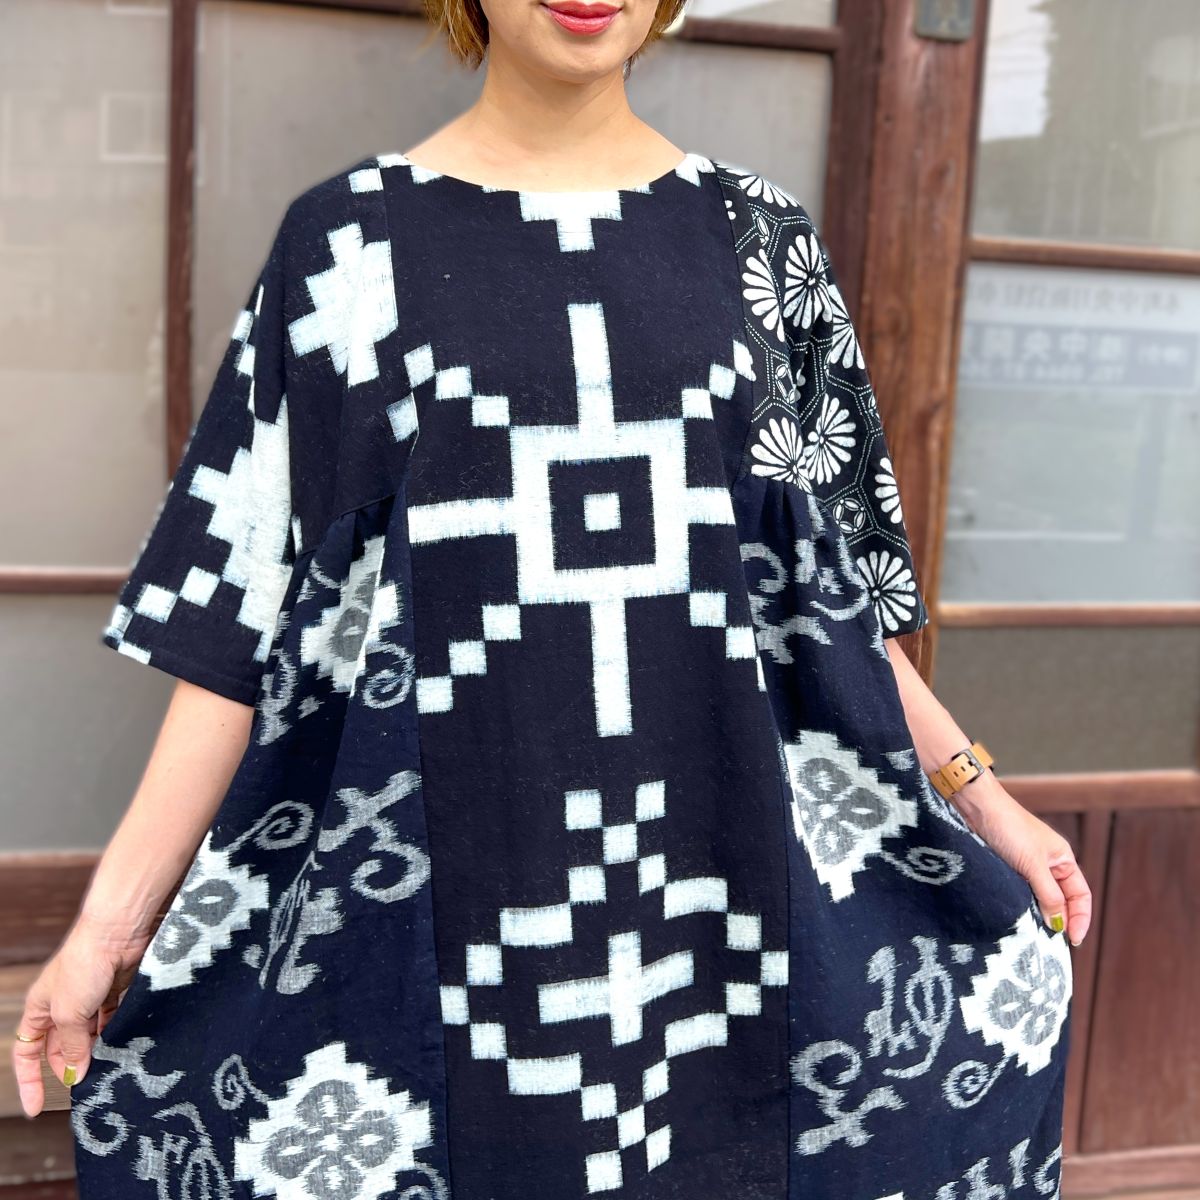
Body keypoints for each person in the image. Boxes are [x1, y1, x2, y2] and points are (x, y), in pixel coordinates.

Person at [14, 0, 1092, 1195]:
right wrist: (110, 930)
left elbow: (833, 606)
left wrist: (981, 796)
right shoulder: (346, 245)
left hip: (723, 883)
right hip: (432, 901)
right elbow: (236, 629)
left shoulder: (764, 239)